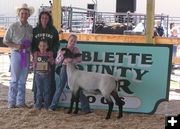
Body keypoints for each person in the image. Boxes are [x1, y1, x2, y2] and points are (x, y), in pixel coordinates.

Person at [49, 34, 91, 113]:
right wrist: (63, 56)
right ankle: (52, 106)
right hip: (65, 69)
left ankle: (86, 108)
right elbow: (57, 61)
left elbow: (79, 60)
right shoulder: (62, 49)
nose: (72, 42)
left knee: (77, 88)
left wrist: (70, 60)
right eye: (71, 40)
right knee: (60, 87)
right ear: (68, 40)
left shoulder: (77, 50)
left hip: (74, 70)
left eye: (74, 41)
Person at [3, 3, 34, 108]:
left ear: (28, 15)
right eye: (22, 13)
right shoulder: (13, 26)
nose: (24, 15)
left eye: (26, 13)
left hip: (26, 55)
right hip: (16, 54)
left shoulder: (30, 28)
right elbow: (5, 41)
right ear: (19, 14)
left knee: (23, 79)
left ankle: (20, 102)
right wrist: (16, 46)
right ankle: (11, 102)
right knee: (15, 78)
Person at [31, 11, 59, 105]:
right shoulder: (35, 30)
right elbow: (32, 44)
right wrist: (34, 51)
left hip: (49, 58)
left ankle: (49, 102)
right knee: (37, 80)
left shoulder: (53, 30)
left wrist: (52, 51)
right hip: (38, 58)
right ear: (39, 19)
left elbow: (57, 43)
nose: (44, 19)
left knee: (50, 80)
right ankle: (37, 101)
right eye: (42, 18)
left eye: (46, 18)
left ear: (49, 19)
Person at [33, 39, 54, 110]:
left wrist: (49, 60)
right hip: (38, 74)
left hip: (47, 74)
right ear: (38, 46)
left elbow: (53, 63)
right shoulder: (36, 53)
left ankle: (46, 106)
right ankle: (38, 106)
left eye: (44, 46)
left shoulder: (50, 53)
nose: (42, 47)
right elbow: (34, 63)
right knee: (39, 91)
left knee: (47, 91)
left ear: (47, 46)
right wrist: (37, 62)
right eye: (41, 46)